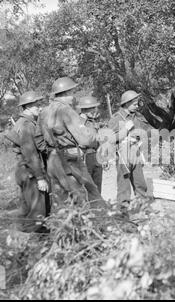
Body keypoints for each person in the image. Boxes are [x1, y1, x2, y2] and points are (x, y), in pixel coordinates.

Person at [34, 77, 106, 208]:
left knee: (60, 200)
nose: (73, 97)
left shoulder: (43, 112)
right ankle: (100, 223)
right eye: (72, 92)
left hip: (52, 159)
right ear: (66, 93)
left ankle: (62, 227)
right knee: (89, 192)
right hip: (70, 158)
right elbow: (85, 139)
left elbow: (38, 140)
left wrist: (52, 150)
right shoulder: (66, 110)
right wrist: (96, 138)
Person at [5, 91, 50, 232]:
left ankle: (22, 242)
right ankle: (36, 246)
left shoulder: (23, 122)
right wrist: (40, 178)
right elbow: (30, 154)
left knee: (27, 209)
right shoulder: (27, 125)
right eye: (37, 105)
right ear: (28, 107)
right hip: (30, 170)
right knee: (38, 212)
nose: (40, 107)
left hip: (24, 169)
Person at [108, 90, 149, 217]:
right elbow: (110, 139)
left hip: (136, 153)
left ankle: (143, 209)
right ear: (126, 103)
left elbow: (145, 131)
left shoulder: (137, 117)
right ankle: (123, 212)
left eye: (137, 103)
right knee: (124, 185)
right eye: (134, 103)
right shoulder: (116, 119)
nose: (137, 105)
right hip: (122, 155)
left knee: (140, 183)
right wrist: (125, 130)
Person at [77, 96, 103, 194]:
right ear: (85, 109)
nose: (94, 110)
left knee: (98, 185)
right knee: (87, 186)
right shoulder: (77, 122)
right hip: (85, 156)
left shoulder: (92, 122)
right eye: (92, 108)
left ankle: (97, 206)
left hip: (96, 155)